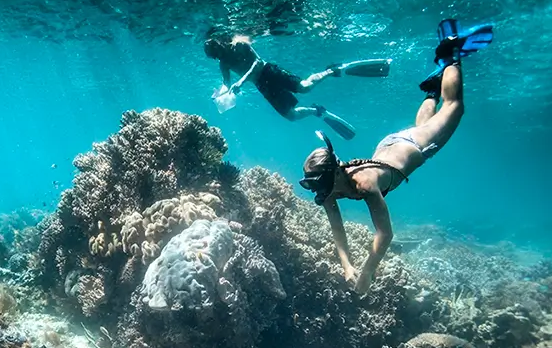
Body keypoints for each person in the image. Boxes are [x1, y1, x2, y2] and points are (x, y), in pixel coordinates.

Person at [298, 19, 493, 294]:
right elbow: (337, 228)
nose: (321, 193)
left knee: (455, 107)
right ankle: (431, 90)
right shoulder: (328, 185)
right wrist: (345, 266)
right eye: (314, 186)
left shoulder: (365, 185)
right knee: (426, 122)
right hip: (390, 146)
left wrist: (367, 272)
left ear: (337, 172)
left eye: (320, 185)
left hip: (413, 146)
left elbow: (385, 234)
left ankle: (450, 56)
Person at [203, 35, 344, 122]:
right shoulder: (223, 63)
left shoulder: (239, 45)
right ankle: (316, 110)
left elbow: (257, 62)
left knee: (304, 87)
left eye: (217, 53)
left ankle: (330, 71)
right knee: (291, 116)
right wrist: (218, 94)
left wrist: (241, 81)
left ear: (219, 45)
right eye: (214, 57)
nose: (218, 58)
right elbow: (226, 83)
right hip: (261, 85)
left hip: (269, 72)